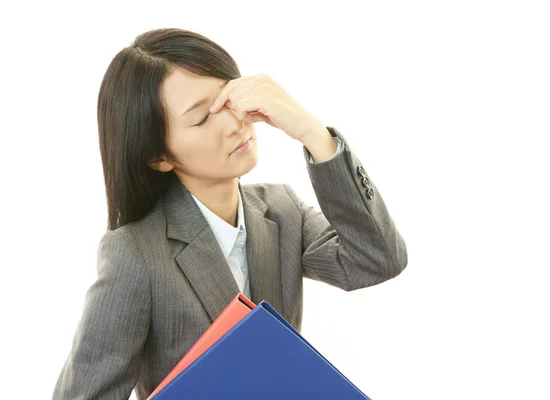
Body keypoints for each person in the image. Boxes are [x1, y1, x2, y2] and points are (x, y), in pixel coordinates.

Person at [52, 27, 408, 400]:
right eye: (203, 118)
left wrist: (313, 134)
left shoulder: (282, 211)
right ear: (159, 156)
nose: (235, 123)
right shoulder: (136, 253)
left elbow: (377, 259)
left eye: (230, 99)